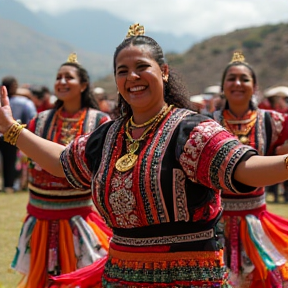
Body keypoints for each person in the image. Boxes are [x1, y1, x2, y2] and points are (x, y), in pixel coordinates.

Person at [1, 24, 288, 288]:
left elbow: (245, 168)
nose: (132, 77)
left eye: (142, 67)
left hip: (187, 279)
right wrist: (12, 130)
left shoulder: (191, 129)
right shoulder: (108, 135)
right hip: (120, 276)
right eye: (122, 71)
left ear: (163, 71)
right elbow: (64, 162)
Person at [9, 53, 113, 288]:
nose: (62, 82)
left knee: (81, 277)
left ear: (84, 85)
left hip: (79, 216)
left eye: (69, 77)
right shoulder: (40, 121)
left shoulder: (100, 122)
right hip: (41, 216)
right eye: (58, 77)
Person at [211, 51, 288, 287]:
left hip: (258, 221)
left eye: (244, 79)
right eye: (231, 78)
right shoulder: (206, 121)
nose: (237, 84)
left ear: (254, 86)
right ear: (223, 86)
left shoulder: (273, 122)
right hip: (215, 226)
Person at [0, 76, 37, 193]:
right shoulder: (24, 102)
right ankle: (9, 185)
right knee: (10, 161)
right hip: (12, 134)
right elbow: (32, 118)